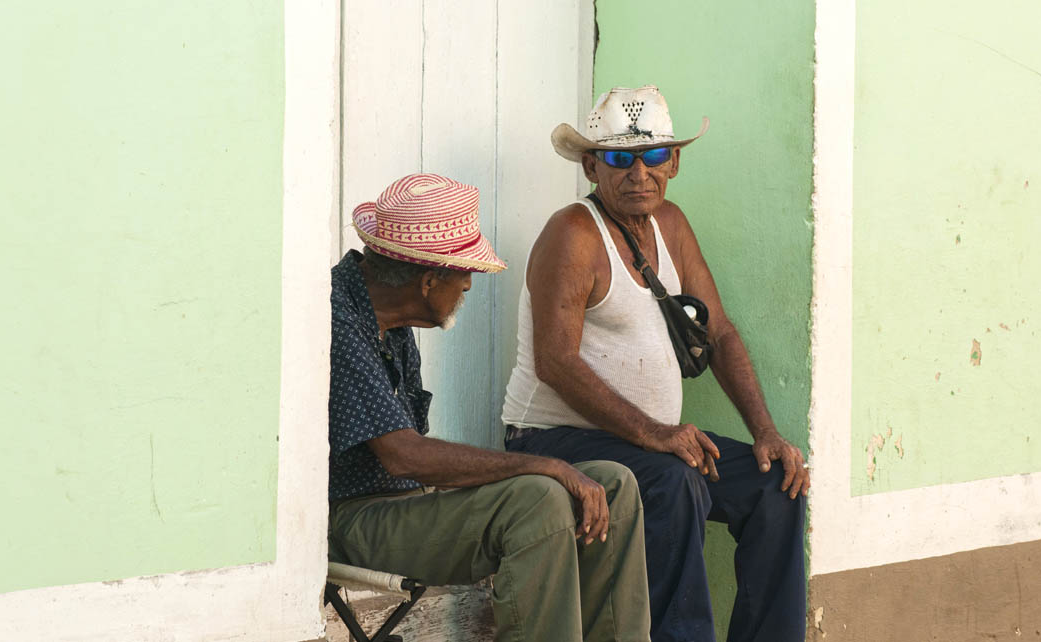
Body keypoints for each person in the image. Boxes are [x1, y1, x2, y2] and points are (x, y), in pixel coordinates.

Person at [502, 86, 809, 641]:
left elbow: (719, 331)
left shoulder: (670, 223)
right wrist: (654, 433)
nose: (638, 172)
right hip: (553, 440)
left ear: (674, 163)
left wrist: (765, 433)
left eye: (653, 157)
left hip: (651, 443)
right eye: (620, 158)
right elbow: (555, 362)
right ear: (592, 166)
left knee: (776, 487)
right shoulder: (572, 233)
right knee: (676, 482)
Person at [328, 173, 651, 642]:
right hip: (353, 518)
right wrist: (545, 466)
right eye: (466, 274)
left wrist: (551, 471)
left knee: (613, 484)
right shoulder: (341, 318)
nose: (469, 287)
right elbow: (406, 456)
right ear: (429, 278)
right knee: (537, 499)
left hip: (408, 502)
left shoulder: (393, 322)